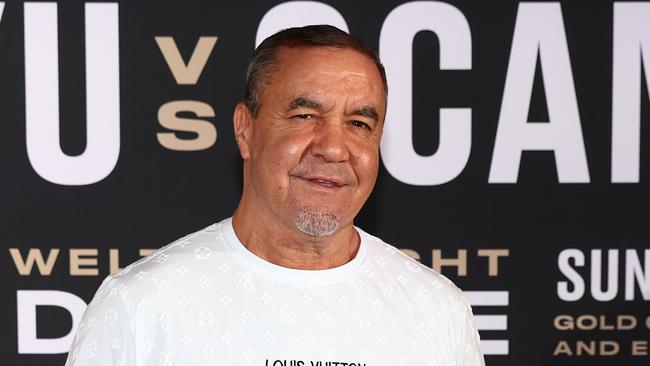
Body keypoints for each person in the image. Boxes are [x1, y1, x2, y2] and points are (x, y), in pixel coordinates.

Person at [66, 25, 485, 366]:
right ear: (244, 129)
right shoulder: (140, 305)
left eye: (359, 123)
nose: (334, 148)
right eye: (305, 116)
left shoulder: (437, 308)